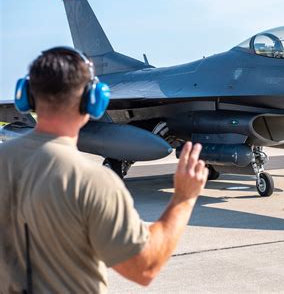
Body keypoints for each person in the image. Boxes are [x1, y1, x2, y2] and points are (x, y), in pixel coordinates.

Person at [0, 47, 208, 292]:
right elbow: (144, 268)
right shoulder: (93, 182)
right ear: (93, 100)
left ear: (26, 95)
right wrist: (183, 198)